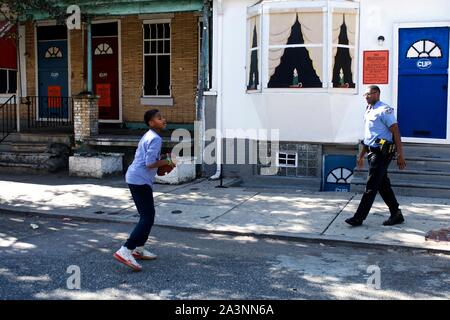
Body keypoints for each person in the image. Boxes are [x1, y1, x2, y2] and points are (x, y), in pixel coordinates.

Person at [113, 109, 175, 271]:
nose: (164, 119)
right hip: (139, 180)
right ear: (151, 123)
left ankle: (138, 250)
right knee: (147, 217)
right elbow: (149, 163)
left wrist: (162, 160)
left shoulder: (149, 135)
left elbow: (150, 160)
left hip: (137, 178)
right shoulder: (155, 138)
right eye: (159, 118)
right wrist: (168, 160)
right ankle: (125, 250)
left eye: (163, 117)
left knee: (147, 216)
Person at [345, 85, 406, 227]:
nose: (366, 97)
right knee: (383, 185)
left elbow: (396, 131)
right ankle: (396, 214)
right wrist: (361, 155)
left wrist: (400, 154)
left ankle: (358, 218)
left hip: (383, 153)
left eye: (369, 94)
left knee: (371, 186)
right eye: (365, 95)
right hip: (372, 152)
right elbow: (369, 137)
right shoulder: (369, 110)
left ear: (377, 94)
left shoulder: (384, 110)